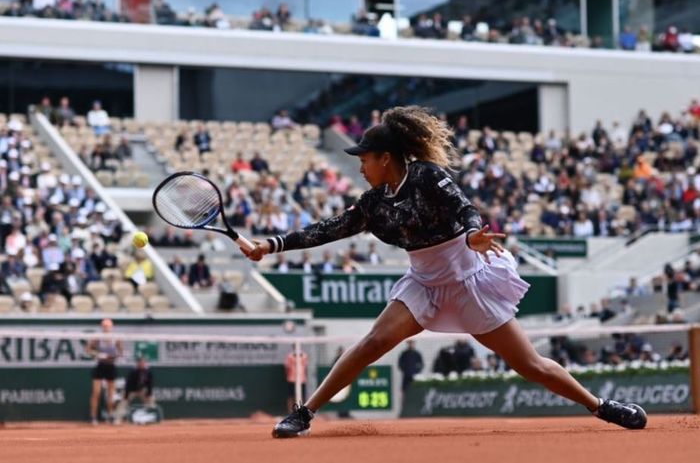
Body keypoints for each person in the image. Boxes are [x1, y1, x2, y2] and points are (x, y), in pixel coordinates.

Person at [242, 106, 647, 437]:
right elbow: (326, 230)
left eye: (365, 159)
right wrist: (269, 245)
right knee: (371, 343)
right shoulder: (373, 202)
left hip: (468, 282)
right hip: (422, 283)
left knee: (531, 366)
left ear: (386, 158)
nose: (361, 167)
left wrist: (473, 236)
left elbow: (466, 209)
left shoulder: (428, 176)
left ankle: (600, 406)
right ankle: (305, 412)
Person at [86, 319, 123, 425]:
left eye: (108, 326)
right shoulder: (97, 338)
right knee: (96, 392)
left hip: (111, 366)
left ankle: (111, 415)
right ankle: (93, 417)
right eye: (104, 326)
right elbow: (88, 350)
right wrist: (98, 354)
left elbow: (120, 352)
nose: (106, 328)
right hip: (100, 366)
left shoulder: (117, 338)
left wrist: (114, 356)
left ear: (112, 327)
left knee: (111, 394)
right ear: (102, 327)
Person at [115, 356, 155, 424]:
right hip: (131, 390)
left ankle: (152, 417)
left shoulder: (148, 372)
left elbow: (150, 384)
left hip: (142, 390)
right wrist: (126, 395)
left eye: (144, 362)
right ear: (138, 363)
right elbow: (128, 384)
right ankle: (117, 419)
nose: (142, 364)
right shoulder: (133, 372)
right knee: (123, 402)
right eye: (141, 362)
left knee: (151, 399)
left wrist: (149, 393)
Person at [284, 348, 309, 414]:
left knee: (302, 396)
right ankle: (290, 412)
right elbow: (287, 367)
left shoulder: (304, 356)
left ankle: (301, 411)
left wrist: (305, 376)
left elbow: (305, 367)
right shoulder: (290, 356)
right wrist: (288, 376)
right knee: (291, 396)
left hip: (302, 379)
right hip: (292, 379)